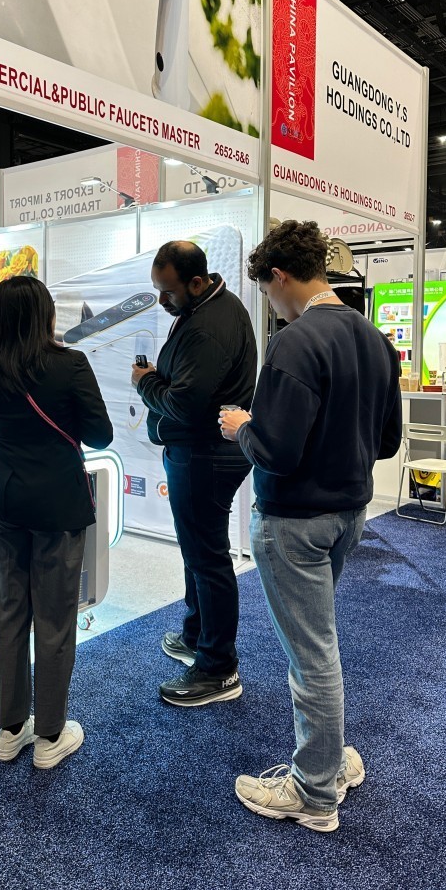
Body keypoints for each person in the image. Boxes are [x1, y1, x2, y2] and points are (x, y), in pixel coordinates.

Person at [220, 220, 402, 833]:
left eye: (266, 291)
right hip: (349, 513)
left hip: (294, 521)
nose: (270, 304)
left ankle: (315, 791)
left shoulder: (294, 343)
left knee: (311, 655)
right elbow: (387, 441)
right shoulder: (374, 339)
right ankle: (328, 760)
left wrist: (242, 427)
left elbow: (275, 450)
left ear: (279, 277)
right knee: (319, 644)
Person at [0, 276, 113, 769]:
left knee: (10, 615)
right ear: (45, 315)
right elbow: (100, 434)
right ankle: (50, 736)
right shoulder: (69, 364)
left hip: (4, 499)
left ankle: (10, 730)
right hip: (57, 504)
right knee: (54, 620)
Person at [131, 240, 258, 706]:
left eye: (168, 291)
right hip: (201, 450)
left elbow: (184, 404)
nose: (162, 300)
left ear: (198, 282)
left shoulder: (208, 327)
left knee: (207, 558)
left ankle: (218, 669)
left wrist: (146, 382)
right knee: (199, 553)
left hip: (205, 454)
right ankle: (197, 638)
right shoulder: (209, 308)